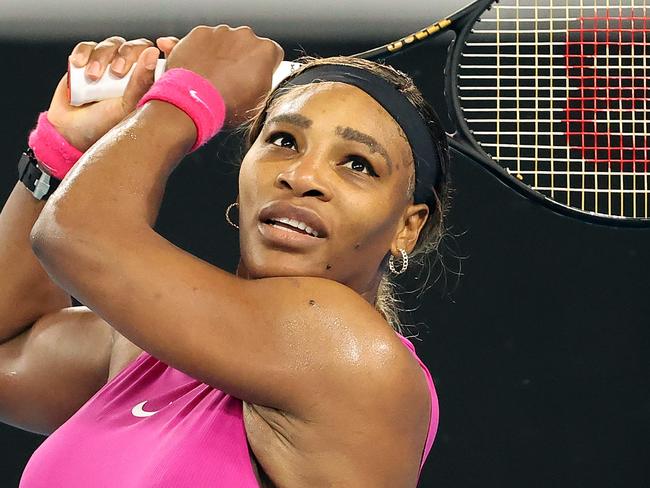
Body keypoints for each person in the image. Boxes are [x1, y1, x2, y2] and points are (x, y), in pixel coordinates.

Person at [0, 25, 449, 487]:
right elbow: (8, 349)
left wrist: (191, 91)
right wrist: (61, 150)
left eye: (358, 164)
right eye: (284, 141)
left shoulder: (350, 356)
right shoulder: (145, 350)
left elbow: (74, 233)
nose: (301, 176)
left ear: (407, 227)